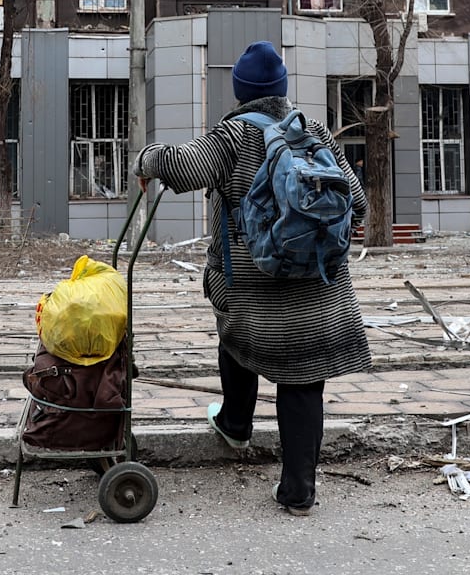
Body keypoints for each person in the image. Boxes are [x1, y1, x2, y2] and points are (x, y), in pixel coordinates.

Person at [133, 40, 370, 516]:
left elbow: (179, 165)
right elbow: (358, 202)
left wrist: (146, 159)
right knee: (304, 380)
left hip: (254, 284)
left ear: (240, 91)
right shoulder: (313, 131)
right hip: (320, 284)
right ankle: (299, 491)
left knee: (235, 339)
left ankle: (236, 425)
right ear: (281, 90)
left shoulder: (233, 136)